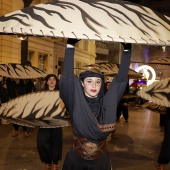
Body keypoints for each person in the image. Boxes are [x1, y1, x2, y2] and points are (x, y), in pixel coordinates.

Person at [60, 39, 131, 170]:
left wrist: (127, 52)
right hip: (76, 162)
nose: (94, 85)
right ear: (82, 83)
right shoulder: (75, 102)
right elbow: (68, 78)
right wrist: (70, 47)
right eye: (89, 81)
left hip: (100, 162)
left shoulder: (107, 104)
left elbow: (120, 81)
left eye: (98, 82)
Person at [37, 74, 62, 170]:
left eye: (54, 79)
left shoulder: (61, 93)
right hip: (44, 121)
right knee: (42, 142)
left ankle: (55, 162)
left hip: (57, 120)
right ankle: (47, 160)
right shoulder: (41, 93)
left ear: (56, 82)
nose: (52, 81)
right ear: (46, 82)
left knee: (56, 142)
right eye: (49, 79)